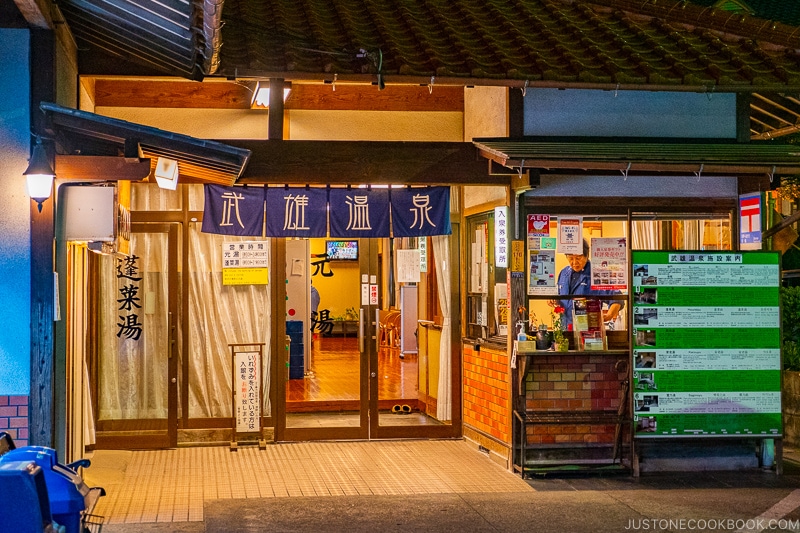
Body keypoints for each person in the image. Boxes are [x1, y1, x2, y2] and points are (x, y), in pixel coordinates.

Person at [556, 239, 623, 328]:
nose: (574, 262)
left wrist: (609, 315)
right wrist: (554, 300)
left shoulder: (597, 274)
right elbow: (560, 296)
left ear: (586, 256)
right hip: (565, 328)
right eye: (571, 258)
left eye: (578, 258)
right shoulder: (563, 273)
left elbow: (617, 297)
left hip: (588, 330)